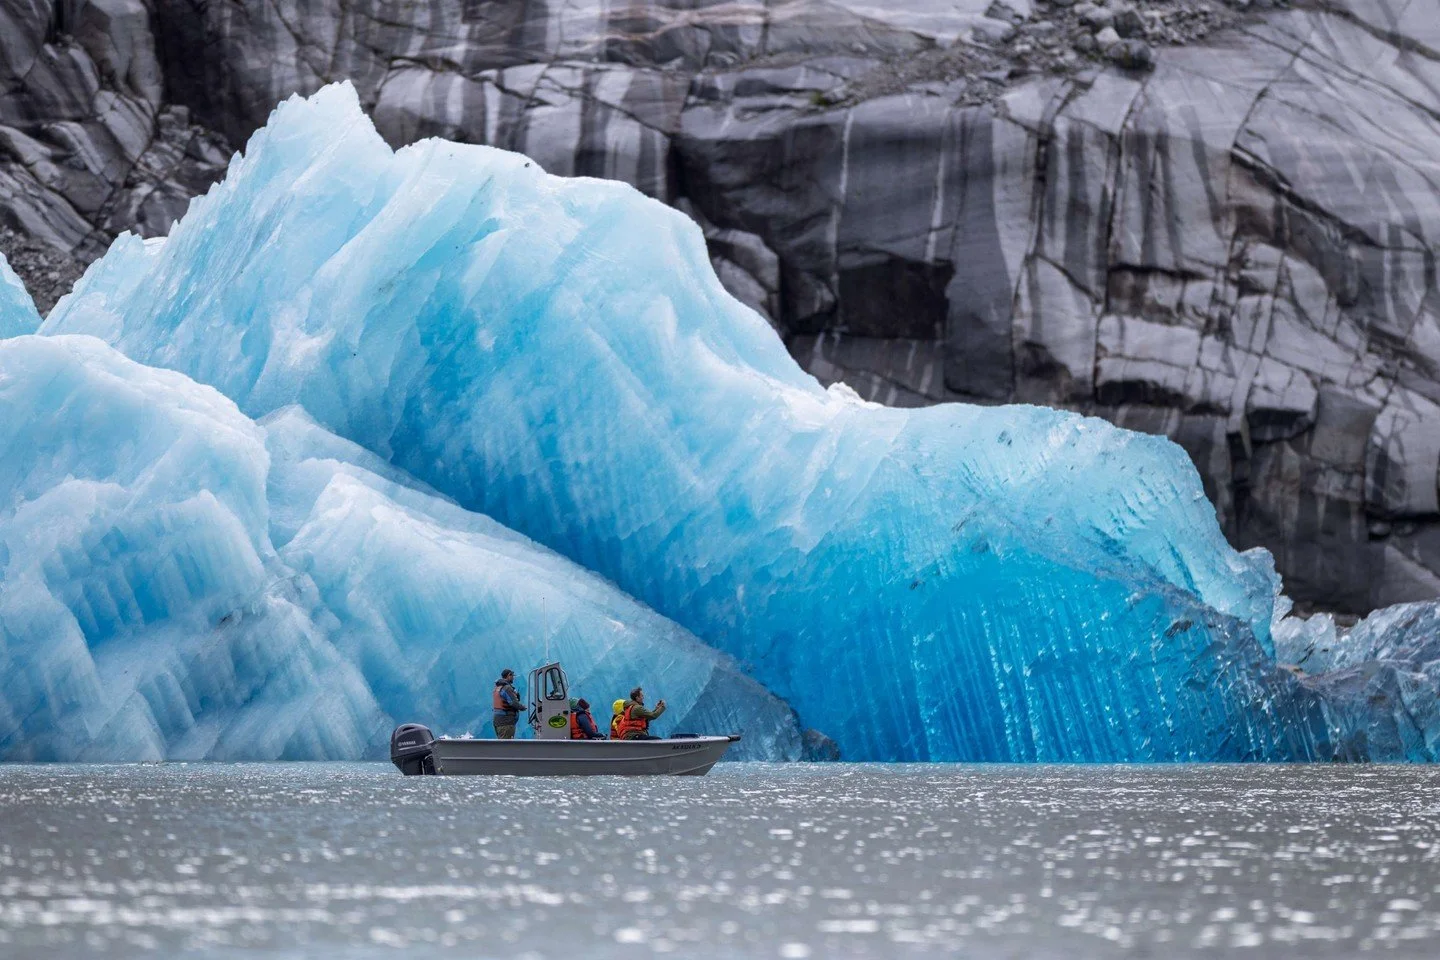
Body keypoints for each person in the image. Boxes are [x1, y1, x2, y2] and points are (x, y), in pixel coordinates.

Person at [492, 668, 523, 739]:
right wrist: (523, 707)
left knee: (502, 742)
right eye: (512, 676)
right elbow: (514, 703)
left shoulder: (497, 688)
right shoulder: (507, 688)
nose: (513, 678)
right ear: (509, 675)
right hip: (506, 722)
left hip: (498, 721)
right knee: (506, 746)